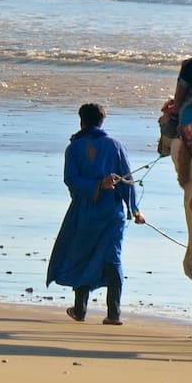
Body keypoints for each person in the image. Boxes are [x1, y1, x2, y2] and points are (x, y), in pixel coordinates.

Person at [46, 103, 144, 324]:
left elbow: (70, 179)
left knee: (83, 254)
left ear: (81, 121)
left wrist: (95, 186)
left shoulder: (73, 148)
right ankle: (113, 314)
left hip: (85, 211)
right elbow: (128, 181)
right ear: (102, 121)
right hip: (113, 213)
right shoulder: (116, 145)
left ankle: (80, 310)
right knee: (113, 257)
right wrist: (134, 209)